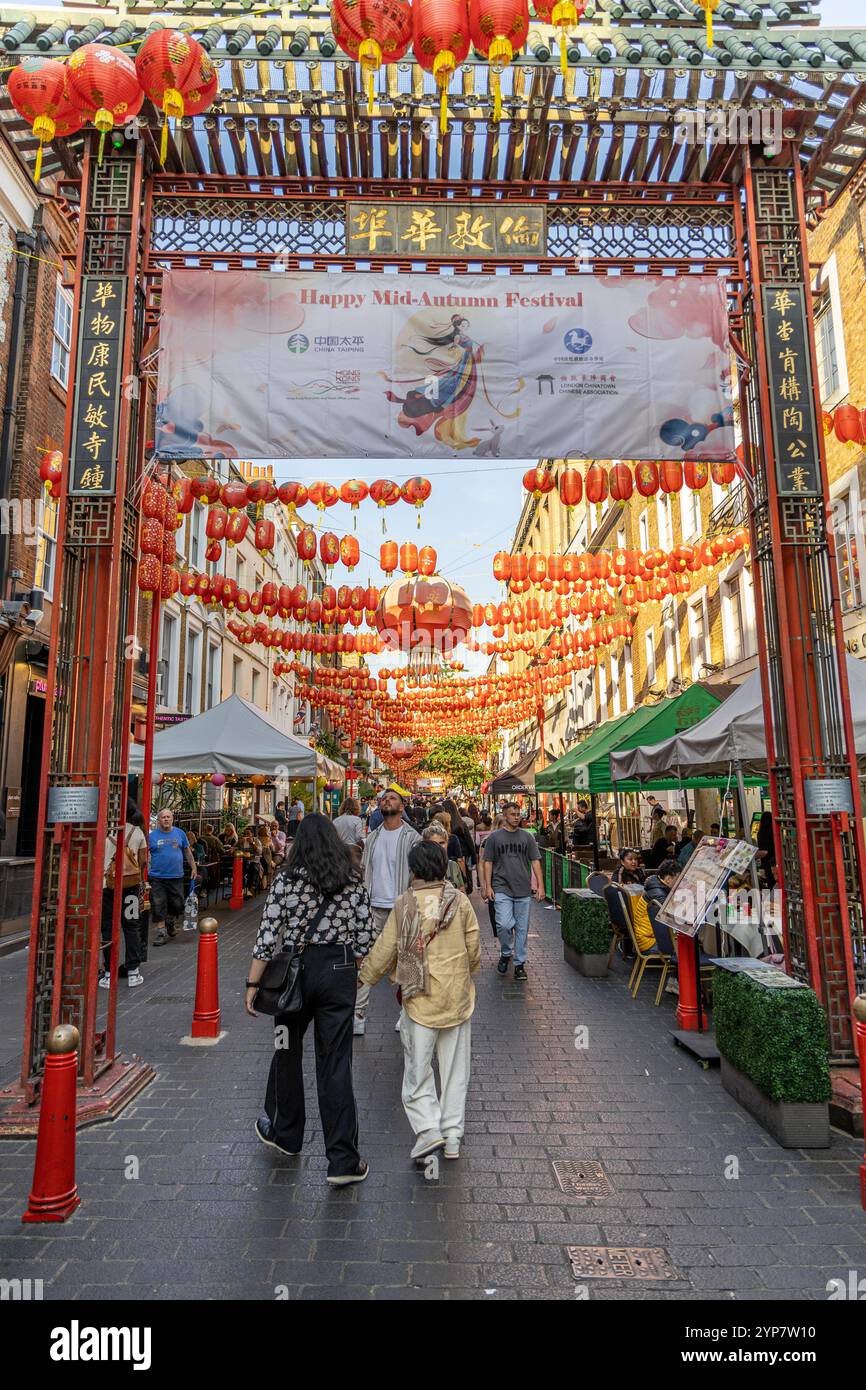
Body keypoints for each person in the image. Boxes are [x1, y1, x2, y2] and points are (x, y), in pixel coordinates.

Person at [245, 813, 372, 1185]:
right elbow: (366, 937)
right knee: (335, 1063)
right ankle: (343, 1161)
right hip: (338, 973)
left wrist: (252, 985)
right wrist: (352, 966)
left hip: (293, 977)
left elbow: (268, 936)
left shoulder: (286, 880)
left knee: (287, 1052)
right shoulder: (351, 880)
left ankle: (286, 1133)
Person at [359, 839, 480, 1163]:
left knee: (417, 1069)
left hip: (418, 996)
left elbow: (384, 950)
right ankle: (452, 1137)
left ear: (413, 869)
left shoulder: (405, 903)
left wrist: (365, 977)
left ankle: (428, 1129)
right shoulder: (461, 901)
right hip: (456, 997)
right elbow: (474, 949)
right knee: (456, 1071)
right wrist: (464, 971)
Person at [355, 787, 421, 1036]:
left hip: (402, 907)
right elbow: (364, 870)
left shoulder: (411, 837)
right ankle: (359, 1013)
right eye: (384, 798)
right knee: (364, 961)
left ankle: (407, 1013)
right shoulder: (372, 837)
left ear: (401, 807)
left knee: (408, 963)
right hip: (373, 908)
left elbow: (417, 873)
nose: (387, 801)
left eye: (392, 798)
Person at [480, 800, 544, 980]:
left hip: (523, 889)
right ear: (505, 816)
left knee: (522, 928)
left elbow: (535, 861)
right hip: (502, 888)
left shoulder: (527, 837)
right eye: (513, 815)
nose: (517, 818)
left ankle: (519, 964)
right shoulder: (494, 838)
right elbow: (488, 862)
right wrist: (488, 885)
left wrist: (540, 886)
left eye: (518, 815)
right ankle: (506, 951)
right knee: (504, 923)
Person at [100, 802, 148, 988]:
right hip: (130, 887)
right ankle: (133, 971)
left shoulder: (107, 831)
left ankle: (109, 972)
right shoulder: (137, 833)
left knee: (108, 928)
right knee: (131, 926)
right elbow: (143, 861)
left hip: (107, 887)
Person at [148, 808, 198, 948]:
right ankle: (161, 932)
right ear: (158, 820)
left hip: (176, 876)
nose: (166, 819)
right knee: (158, 904)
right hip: (157, 877)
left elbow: (187, 852)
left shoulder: (180, 833)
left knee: (177, 904)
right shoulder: (152, 837)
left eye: (168, 817)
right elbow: (144, 855)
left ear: (172, 819)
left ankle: (170, 920)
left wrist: (193, 867)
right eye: (163, 817)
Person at [756, 810, 776, 890]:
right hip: (775, 862)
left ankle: (770, 901)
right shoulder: (775, 832)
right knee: (775, 886)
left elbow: (764, 851)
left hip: (767, 864)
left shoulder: (762, 833)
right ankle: (777, 901)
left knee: (768, 887)